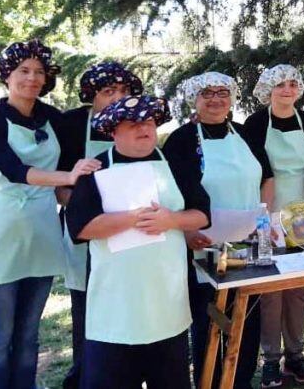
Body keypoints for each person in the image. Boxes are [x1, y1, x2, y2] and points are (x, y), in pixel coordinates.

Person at [0, 39, 102, 388]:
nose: (31, 78)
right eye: (23, 71)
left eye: (39, 71)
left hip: (43, 230)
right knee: (0, 341)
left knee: (29, 336)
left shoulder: (54, 119)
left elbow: (93, 127)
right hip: (3, 231)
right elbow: (13, 169)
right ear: (7, 76)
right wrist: (68, 176)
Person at [66, 95, 211, 388]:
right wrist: (133, 218)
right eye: (132, 124)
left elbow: (202, 215)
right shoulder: (95, 170)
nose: (143, 129)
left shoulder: (176, 165)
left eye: (148, 122)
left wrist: (172, 220)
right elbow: (81, 228)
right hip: (114, 306)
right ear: (113, 131)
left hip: (166, 302)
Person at [164, 72, 275, 388]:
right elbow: (170, 193)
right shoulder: (181, 140)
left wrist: (262, 221)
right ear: (194, 100)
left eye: (222, 93)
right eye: (207, 93)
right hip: (202, 243)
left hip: (249, 242)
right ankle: (209, 380)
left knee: (247, 316)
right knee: (209, 319)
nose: (215, 99)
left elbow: (268, 179)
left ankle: (241, 380)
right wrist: (185, 233)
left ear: (232, 98)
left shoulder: (245, 134)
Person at [57, 61, 143, 389]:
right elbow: (62, 185)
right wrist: (86, 208)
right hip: (87, 232)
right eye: (108, 92)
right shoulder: (73, 125)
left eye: (123, 91)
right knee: (87, 315)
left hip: (128, 231)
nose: (117, 97)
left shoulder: (136, 125)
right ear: (91, 96)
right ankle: (82, 378)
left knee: (124, 308)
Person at [244, 64, 304, 388]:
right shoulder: (256, 123)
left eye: (292, 84)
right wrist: (261, 221)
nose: (287, 90)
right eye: (280, 85)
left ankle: (295, 354)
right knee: (271, 289)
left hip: (301, 211)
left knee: (298, 289)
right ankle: (271, 359)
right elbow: (255, 173)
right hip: (266, 210)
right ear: (268, 89)